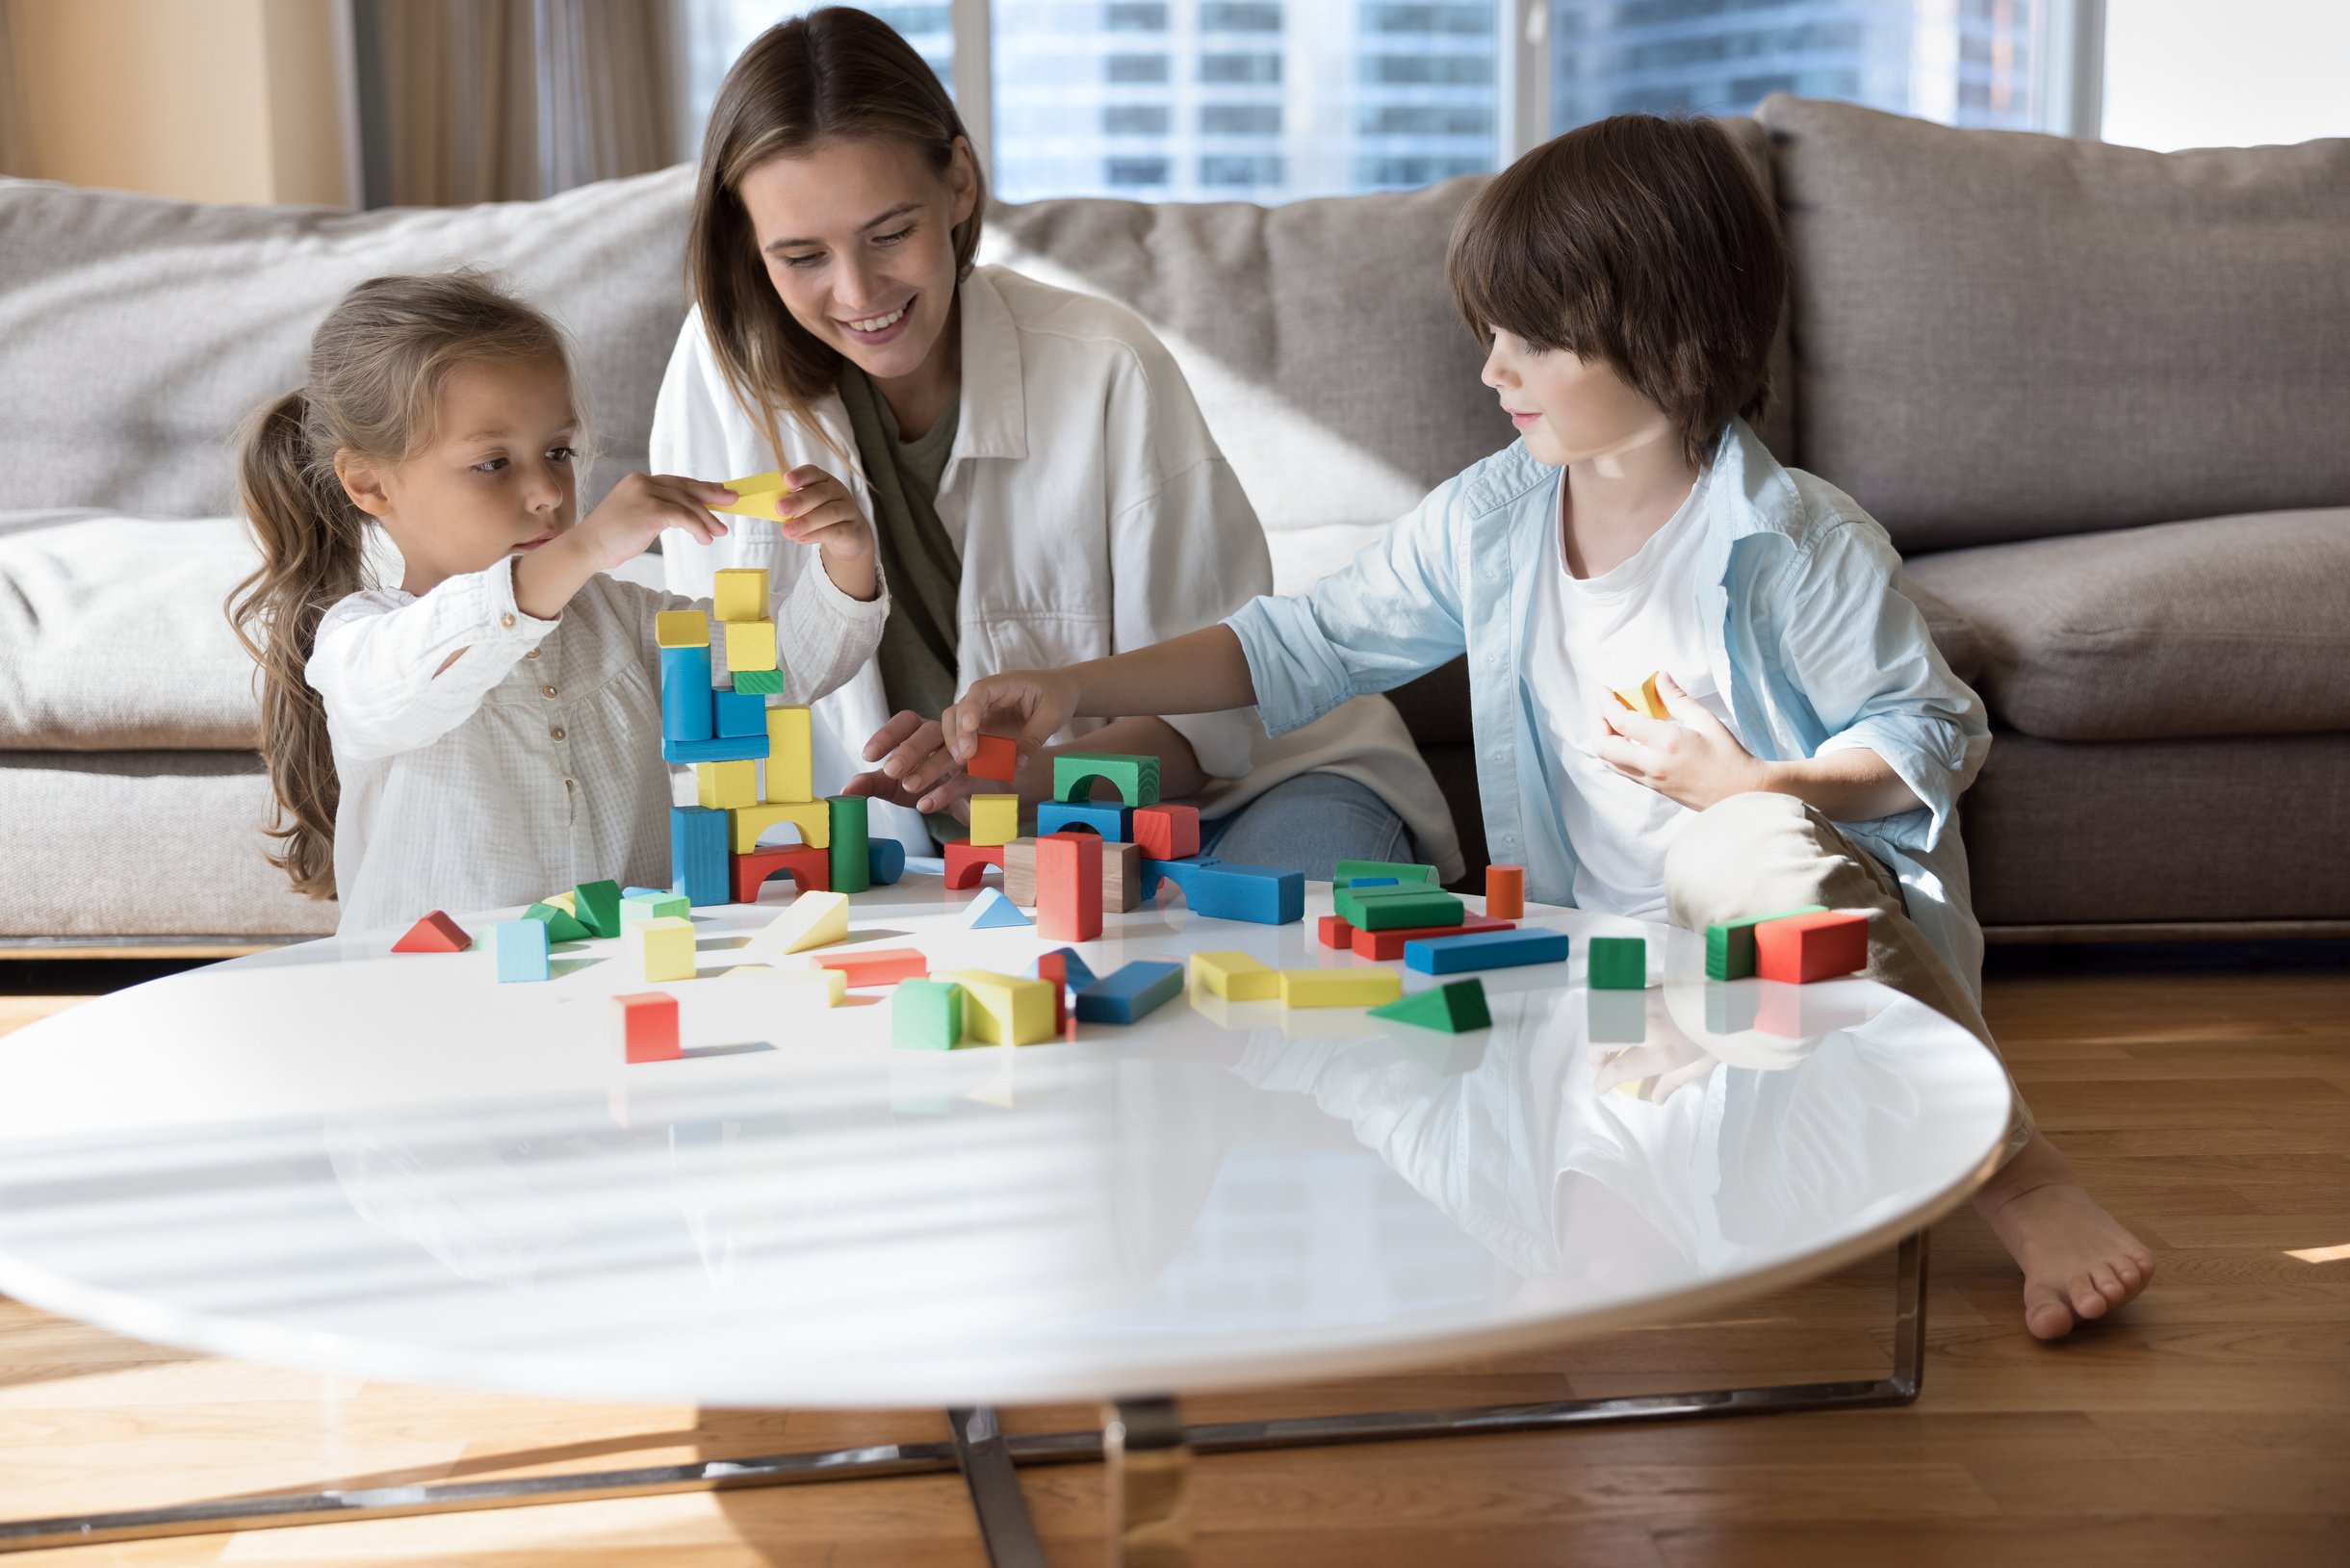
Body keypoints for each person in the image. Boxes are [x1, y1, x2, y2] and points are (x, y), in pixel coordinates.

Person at [943, 116, 2154, 1341]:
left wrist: (1759, 780)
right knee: (1418, 1117)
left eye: (1531, 340)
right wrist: (1074, 687)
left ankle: (2023, 1179)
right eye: (1489, 336)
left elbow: (1930, 731)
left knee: (1734, 846)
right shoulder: (1492, 515)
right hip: (1594, 983)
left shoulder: (1796, 543)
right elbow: (1297, 644)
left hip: (1793, 979)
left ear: (1663, 338)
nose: (1492, 372)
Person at [652, 6, 1457, 879]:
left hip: (1246, 794)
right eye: (802, 256)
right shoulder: (720, 374)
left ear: (958, 182)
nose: (857, 291)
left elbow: (1207, 737)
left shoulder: (1103, 365)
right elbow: (725, 702)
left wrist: (1017, 781)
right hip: (981, 860)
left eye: (889, 234)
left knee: (1285, 957)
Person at [229, 270, 883, 934]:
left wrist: (847, 557)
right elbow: (419, 668)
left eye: (558, 450)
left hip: (619, 984)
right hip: (435, 1005)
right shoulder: (364, 640)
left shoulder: (623, 620)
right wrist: (584, 546)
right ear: (370, 484)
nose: (546, 489)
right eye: (493, 463)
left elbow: (782, 670)